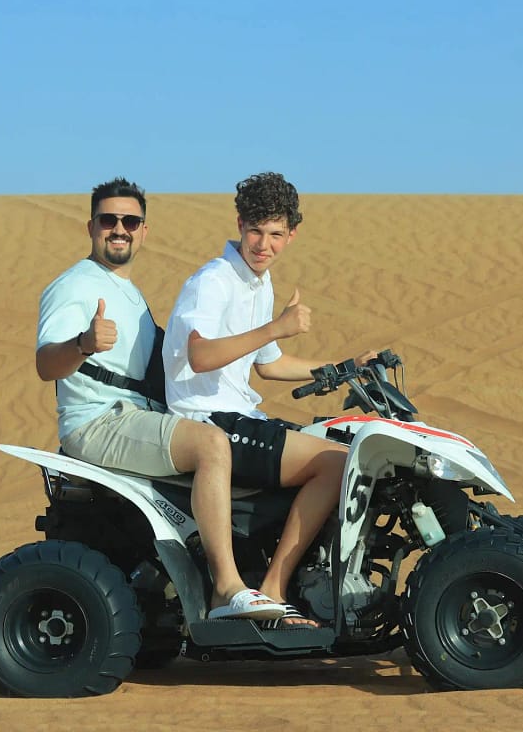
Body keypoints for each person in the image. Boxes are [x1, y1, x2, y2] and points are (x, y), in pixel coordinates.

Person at [34, 176, 284, 622]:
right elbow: (45, 365)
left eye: (130, 221)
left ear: (144, 231)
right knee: (211, 444)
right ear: (90, 226)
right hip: (99, 422)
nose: (119, 229)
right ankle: (227, 588)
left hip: (139, 417)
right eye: (109, 219)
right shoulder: (72, 286)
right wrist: (82, 345)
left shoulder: (128, 293)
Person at [162, 171, 375, 629]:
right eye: (256, 231)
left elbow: (269, 362)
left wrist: (342, 368)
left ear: (292, 234)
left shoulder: (260, 283)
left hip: (241, 413)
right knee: (337, 464)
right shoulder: (214, 280)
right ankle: (274, 590)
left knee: (340, 444)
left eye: (276, 234)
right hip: (208, 419)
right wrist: (276, 327)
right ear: (239, 224)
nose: (264, 244)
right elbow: (200, 356)